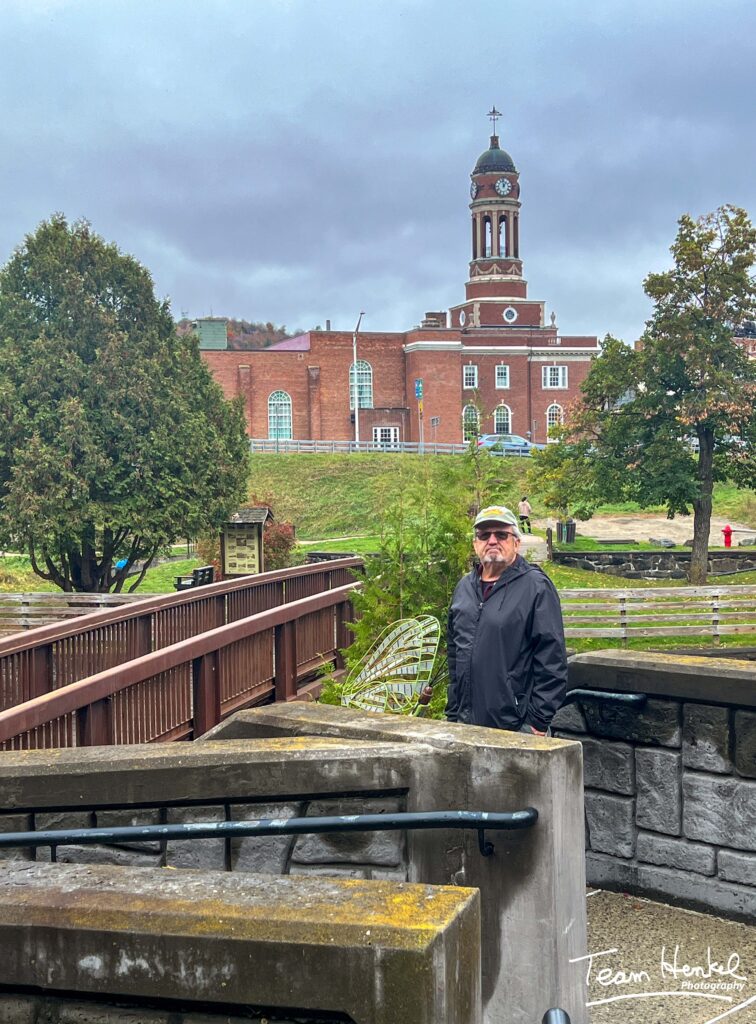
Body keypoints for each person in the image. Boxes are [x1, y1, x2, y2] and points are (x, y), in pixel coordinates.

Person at [445, 504, 567, 735]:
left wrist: (537, 722)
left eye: (501, 535)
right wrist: (453, 711)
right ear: (475, 543)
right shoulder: (464, 588)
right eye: (484, 535)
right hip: (465, 723)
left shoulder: (536, 587)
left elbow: (552, 660)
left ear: (516, 543)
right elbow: (455, 655)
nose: (492, 541)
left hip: (515, 727)